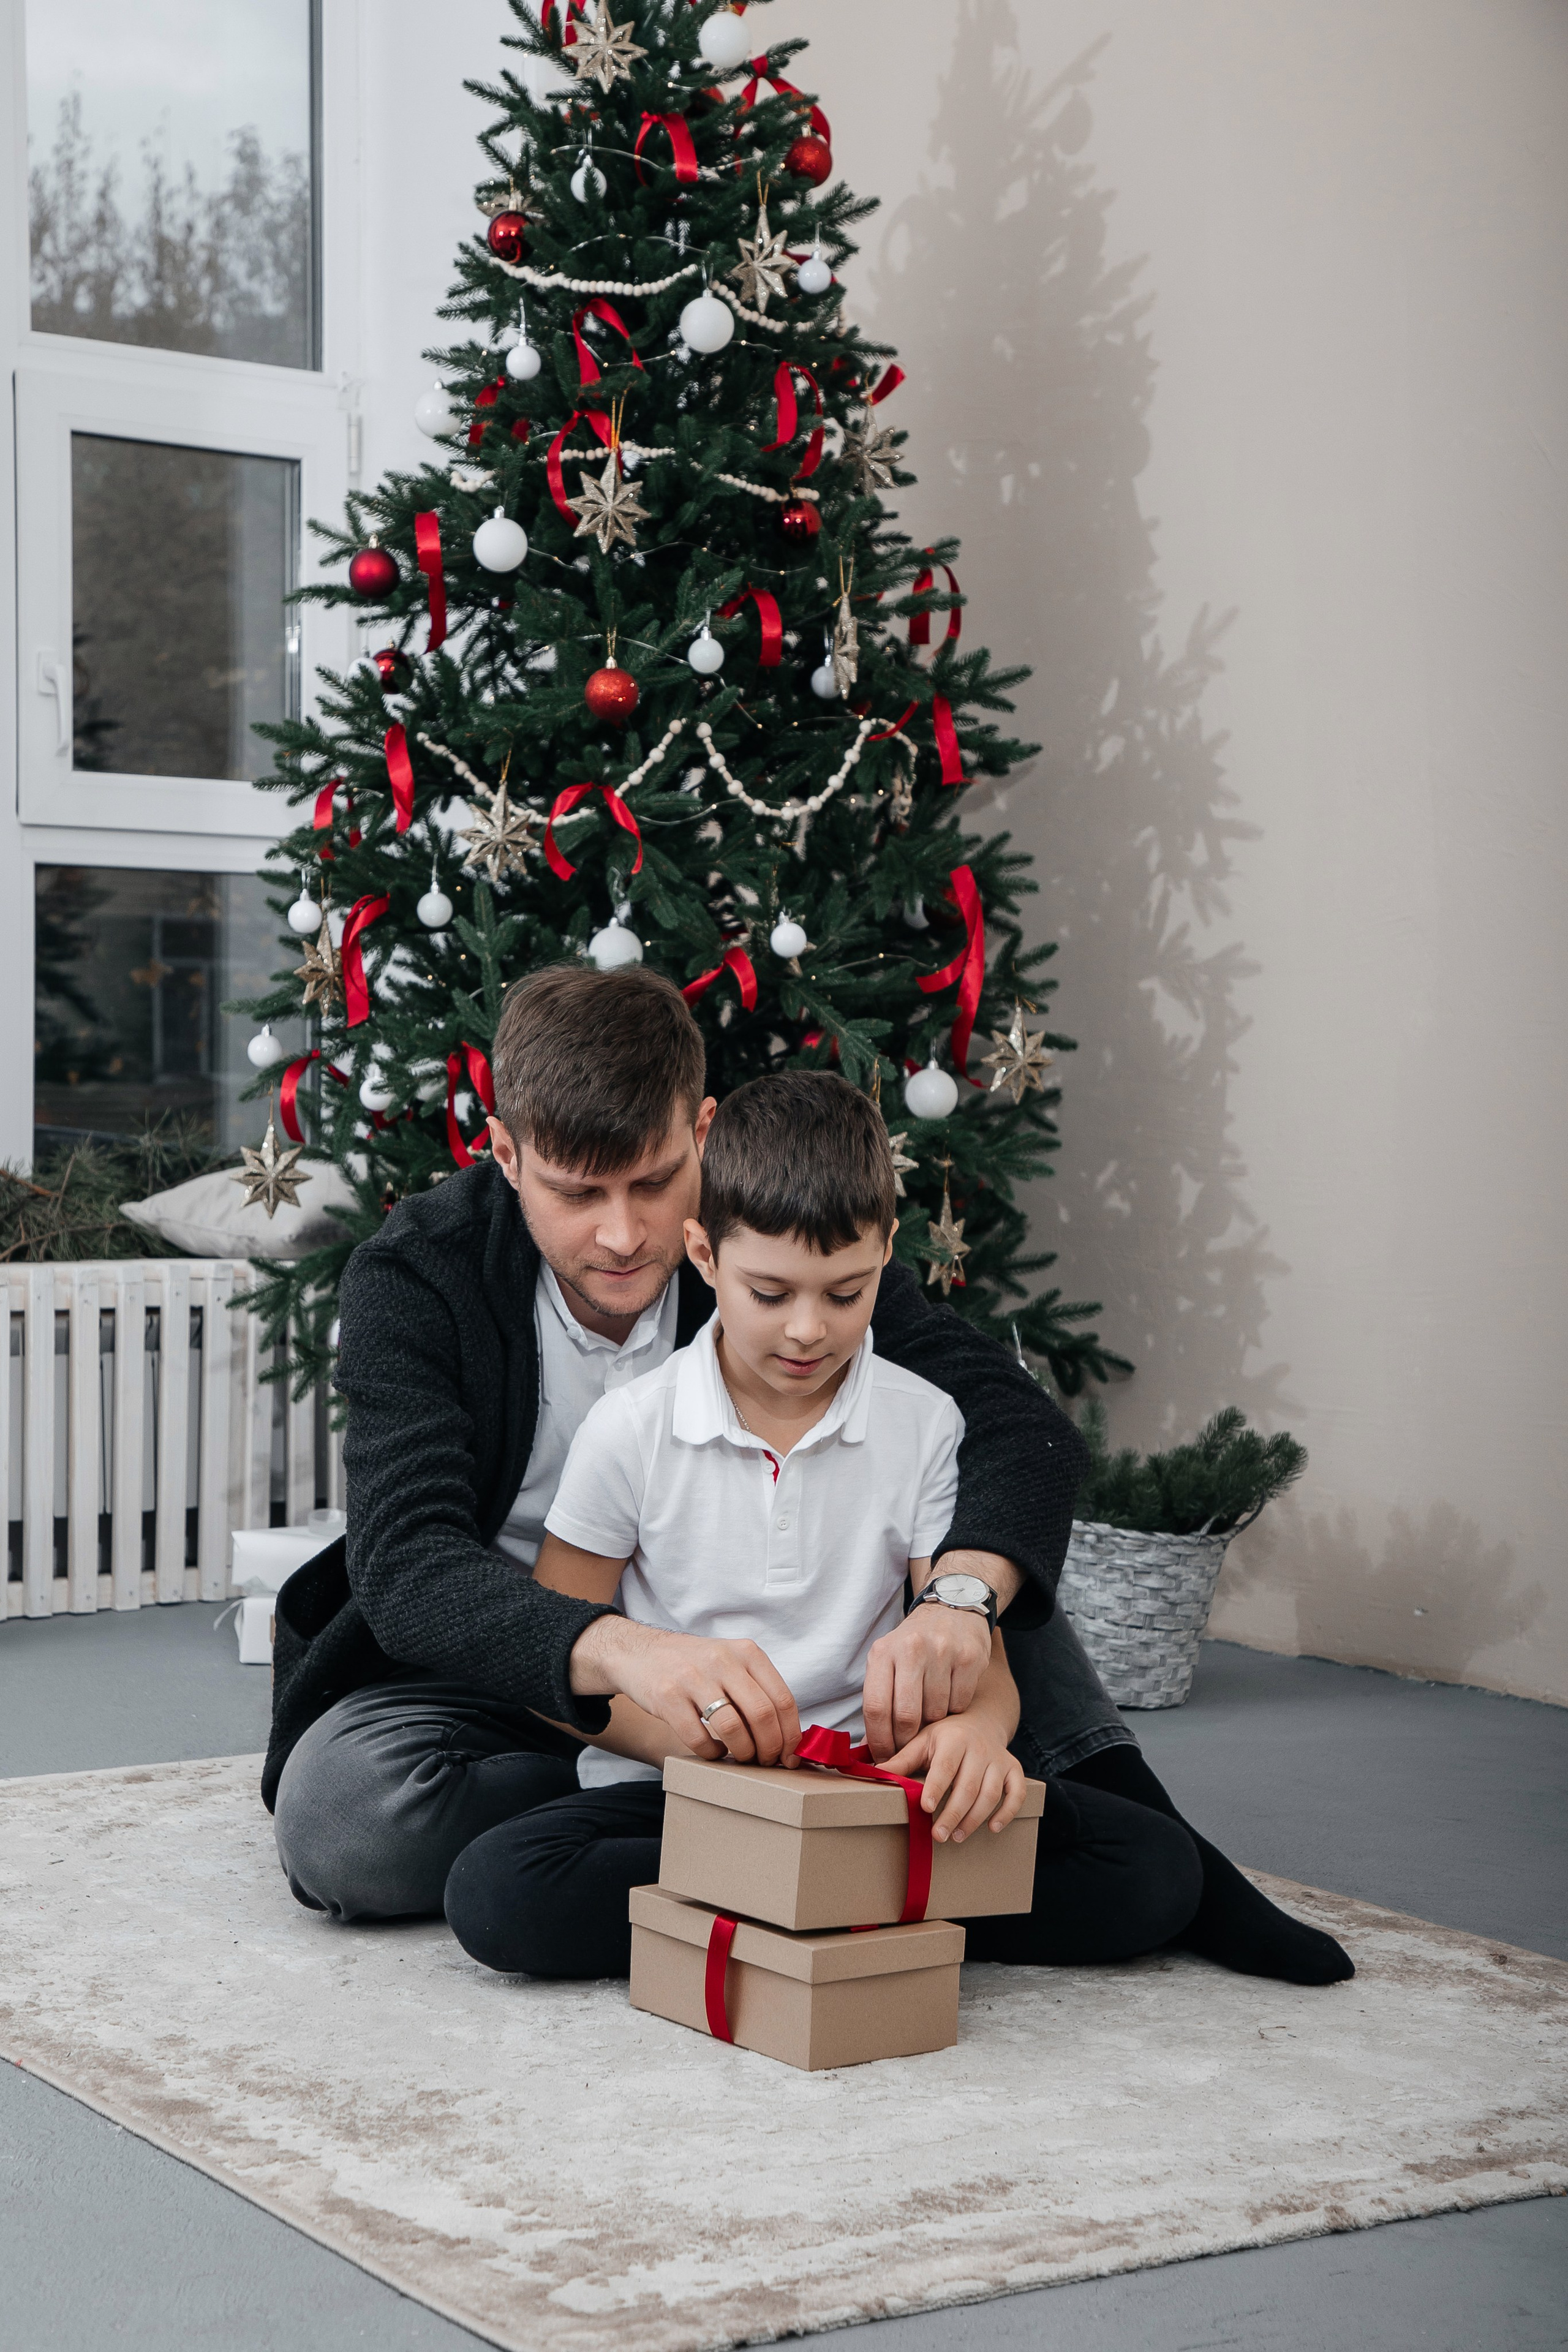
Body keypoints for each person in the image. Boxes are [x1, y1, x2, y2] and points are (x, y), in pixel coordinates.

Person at [267, 965, 1351, 1988]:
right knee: (344, 1830)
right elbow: (406, 1562)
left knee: (977, 1575)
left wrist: (960, 1605)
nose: (623, 1231)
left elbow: (1016, 1427)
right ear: (503, 1154)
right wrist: (637, 1671)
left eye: (654, 1181)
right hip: (517, 1653)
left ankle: (1136, 1841)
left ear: (703, 1130)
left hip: (792, 1677)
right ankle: (705, 1836)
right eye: (575, 1191)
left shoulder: (768, 1255)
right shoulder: (422, 1272)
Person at [445, 1071, 1199, 1977]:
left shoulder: (925, 1423)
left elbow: (980, 1666)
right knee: (501, 1892)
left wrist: (979, 1736)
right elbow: (555, 1665)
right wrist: (678, 1740)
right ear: (704, 1253)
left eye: (845, 1294)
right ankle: (857, 1909)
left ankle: (782, 1906)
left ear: (886, 1252)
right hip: (682, 1798)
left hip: (877, 1797)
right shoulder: (632, 1428)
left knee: (1152, 1870)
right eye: (770, 1294)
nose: (808, 1331)